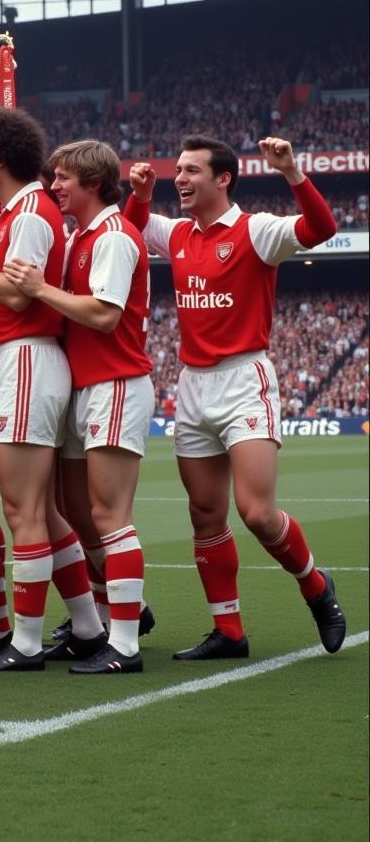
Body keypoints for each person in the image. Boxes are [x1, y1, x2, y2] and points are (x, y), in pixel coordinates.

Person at [125, 135, 346, 659]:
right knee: (205, 513)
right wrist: (139, 193)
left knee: (257, 513)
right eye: (177, 170)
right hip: (193, 385)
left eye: (191, 170)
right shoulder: (176, 233)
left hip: (245, 380)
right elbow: (130, 232)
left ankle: (316, 587)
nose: (179, 178)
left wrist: (292, 172)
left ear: (222, 179)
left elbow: (321, 230)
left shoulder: (257, 231)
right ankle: (229, 632)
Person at [0, 109, 105, 670]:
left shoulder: (30, 212)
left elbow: (15, 295)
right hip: (22, 360)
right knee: (45, 511)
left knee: (21, 508)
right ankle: (85, 624)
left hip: (26, 355)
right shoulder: (19, 209)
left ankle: (25, 643)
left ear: (0, 158)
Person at [6, 139, 153, 673]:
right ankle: (111, 619)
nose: (55, 185)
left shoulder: (113, 236)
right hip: (85, 385)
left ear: (93, 182)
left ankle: (126, 644)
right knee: (77, 512)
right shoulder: (81, 236)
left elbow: (103, 315)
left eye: (64, 177)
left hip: (115, 383)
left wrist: (41, 290)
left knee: (111, 516)